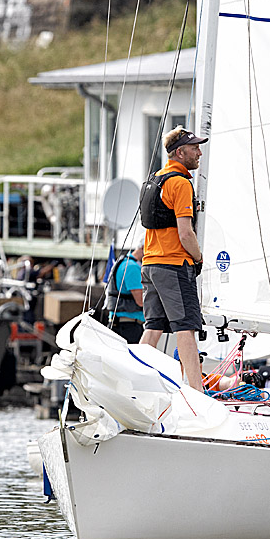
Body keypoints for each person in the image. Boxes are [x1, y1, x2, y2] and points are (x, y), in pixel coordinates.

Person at [138, 125, 207, 391]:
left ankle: (135, 382)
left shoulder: (154, 180)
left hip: (150, 263)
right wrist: (198, 258)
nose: (199, 153)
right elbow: (185, 233)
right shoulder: (180, 183)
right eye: (194, 148)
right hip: (174, 263)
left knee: (153, 328)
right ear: (180, 152)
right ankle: (197, 392)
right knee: (185, 327)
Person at [105, 241, 145, 343]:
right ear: (144, 247)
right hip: (128, 327)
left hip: (119, 324)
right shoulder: (132, 267)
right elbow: (140, 301)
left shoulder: (123, 262)